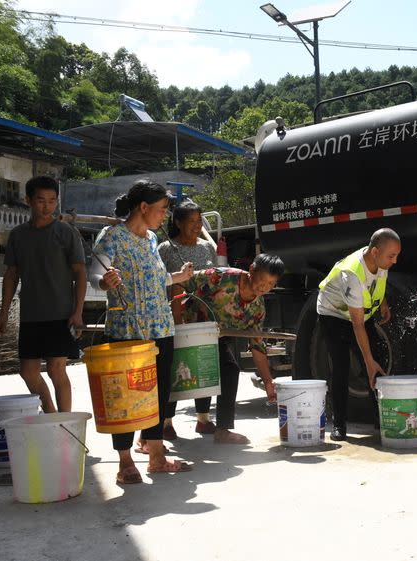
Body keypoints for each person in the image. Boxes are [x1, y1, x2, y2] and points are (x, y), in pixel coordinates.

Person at [89, 179, 194, 484]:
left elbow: (155, 280)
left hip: (160, 328)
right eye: (162, 209)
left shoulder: (150, 239)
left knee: (157, 392)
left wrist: (178, 277)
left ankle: (157, 456)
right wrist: (104, 281)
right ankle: (124, 462)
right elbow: (97, 271)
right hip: (126, 331)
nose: (165, 215)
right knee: (124, 396)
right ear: (144, 207)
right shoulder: (112, 236)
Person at [0, 175, 86, 414]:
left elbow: (81, 273)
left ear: (57, 202)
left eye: (52, 200)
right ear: (28, 200)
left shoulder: (66, 232)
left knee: (57, 369)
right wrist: (3, 312)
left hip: (61, 313)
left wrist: (77, 312)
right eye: (41, 200)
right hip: (31, 315)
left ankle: (66, 423)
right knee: (27, 372)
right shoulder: (18, 235)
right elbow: (11, 275)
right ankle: (51, 415)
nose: (47, 206)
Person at [178, 255, 285, 444]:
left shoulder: (258, 308)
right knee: (178, 375)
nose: (265, 287)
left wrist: (268, 381)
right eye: (263, 280)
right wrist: (176, 323)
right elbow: (181, 281)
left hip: (216, 336)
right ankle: (164, 426)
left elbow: (257, 345)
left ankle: (222, 429)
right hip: (189, 328)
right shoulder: (221, 277)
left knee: (227, 368)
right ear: (252, 270)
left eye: (271, 284)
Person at [316, 228, 401, 441]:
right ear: (374, 252)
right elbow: (357, 324)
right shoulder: (352, 274)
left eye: (397, 255)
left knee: (377, 362)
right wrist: (368, 360)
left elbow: (376, 283)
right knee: (342, 366)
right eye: (392, 256)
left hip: (359, 313)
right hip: (333, 315)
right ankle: (339, 425)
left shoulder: (381, 259)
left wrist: (383, 303)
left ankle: (381, 420)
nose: (395, 261)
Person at [157, 200, 217, 440]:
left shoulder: (206, 247)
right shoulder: (165, 249)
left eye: (199, 221)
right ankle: (166, 422)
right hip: (173, 315)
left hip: (203, 316)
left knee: (204, 362)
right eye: (191, 221)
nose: (196, 225)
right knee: (175, 367)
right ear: (178, 223)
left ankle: (203, 418)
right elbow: (161, 282)